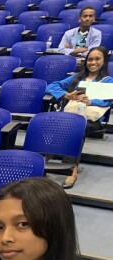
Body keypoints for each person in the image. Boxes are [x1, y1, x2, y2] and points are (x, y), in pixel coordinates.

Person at [45, 46, 113, 189]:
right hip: (71, 114)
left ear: (104, 61)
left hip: (91, 119)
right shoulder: (77, 77)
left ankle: (71, 170)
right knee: (52, 123)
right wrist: (66, 95)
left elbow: (107, 102)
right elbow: (52, 86)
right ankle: (45, 159)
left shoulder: (108, 81)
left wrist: (91, 101)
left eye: (97, 59)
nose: (93, 62)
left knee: (77, 129)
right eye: (90, 59)